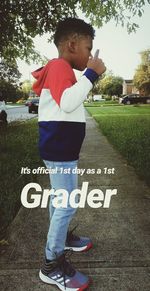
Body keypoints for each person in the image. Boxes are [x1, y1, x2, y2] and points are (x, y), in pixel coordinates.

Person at [32, 18, 106, 291]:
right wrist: (92, 74)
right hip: (60, 151)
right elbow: (68, 102)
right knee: (66, 203)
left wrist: (86, 77)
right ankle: (51, 265)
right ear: (71, 44)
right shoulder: (60, 66)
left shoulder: (60, 69)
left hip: (60, 149)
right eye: (88, 48)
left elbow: (69, 100)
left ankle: (60, 240)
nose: (90, 55)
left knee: (58, 199)